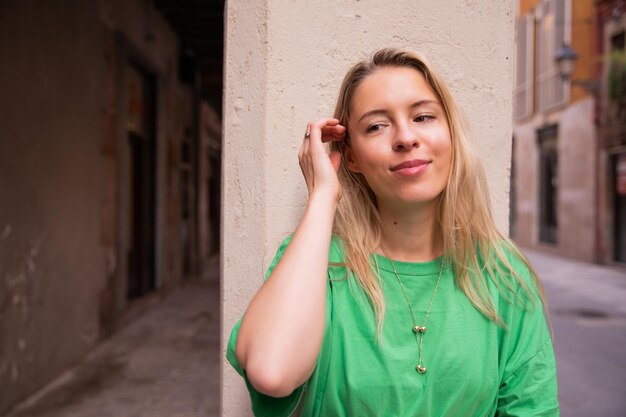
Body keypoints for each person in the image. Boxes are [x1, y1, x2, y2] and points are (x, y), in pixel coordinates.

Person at [226, 48, 559, 416]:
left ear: (450, 132)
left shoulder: (502, 273)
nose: (405, 137)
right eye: (376, 126)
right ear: (350, 156)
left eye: (423, 116)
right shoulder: (318, 262)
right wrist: (322, 196)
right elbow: (272, 373)